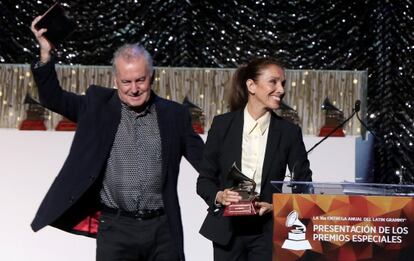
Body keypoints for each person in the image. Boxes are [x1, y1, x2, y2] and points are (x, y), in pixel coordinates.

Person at [30, 16, 204, 261]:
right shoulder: (96, 105)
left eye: (140, 80)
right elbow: (52, 98)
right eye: (126, 82)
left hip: (162, 228)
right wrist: (45, 54)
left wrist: (236, 184)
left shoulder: (174, 114)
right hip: (115, 227)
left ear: (151, 77)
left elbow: (205, 161)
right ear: (115, 81)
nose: (134, 88)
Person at [196, 58, 312, 260]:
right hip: (227, 232)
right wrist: (219, 196)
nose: (281, 90)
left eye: (282, 83)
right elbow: (204, 181)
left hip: (267, 233)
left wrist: (276, 208)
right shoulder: (222, 125)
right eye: (273, 82)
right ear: (251, 85)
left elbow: (303, 186)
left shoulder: (289, 133)